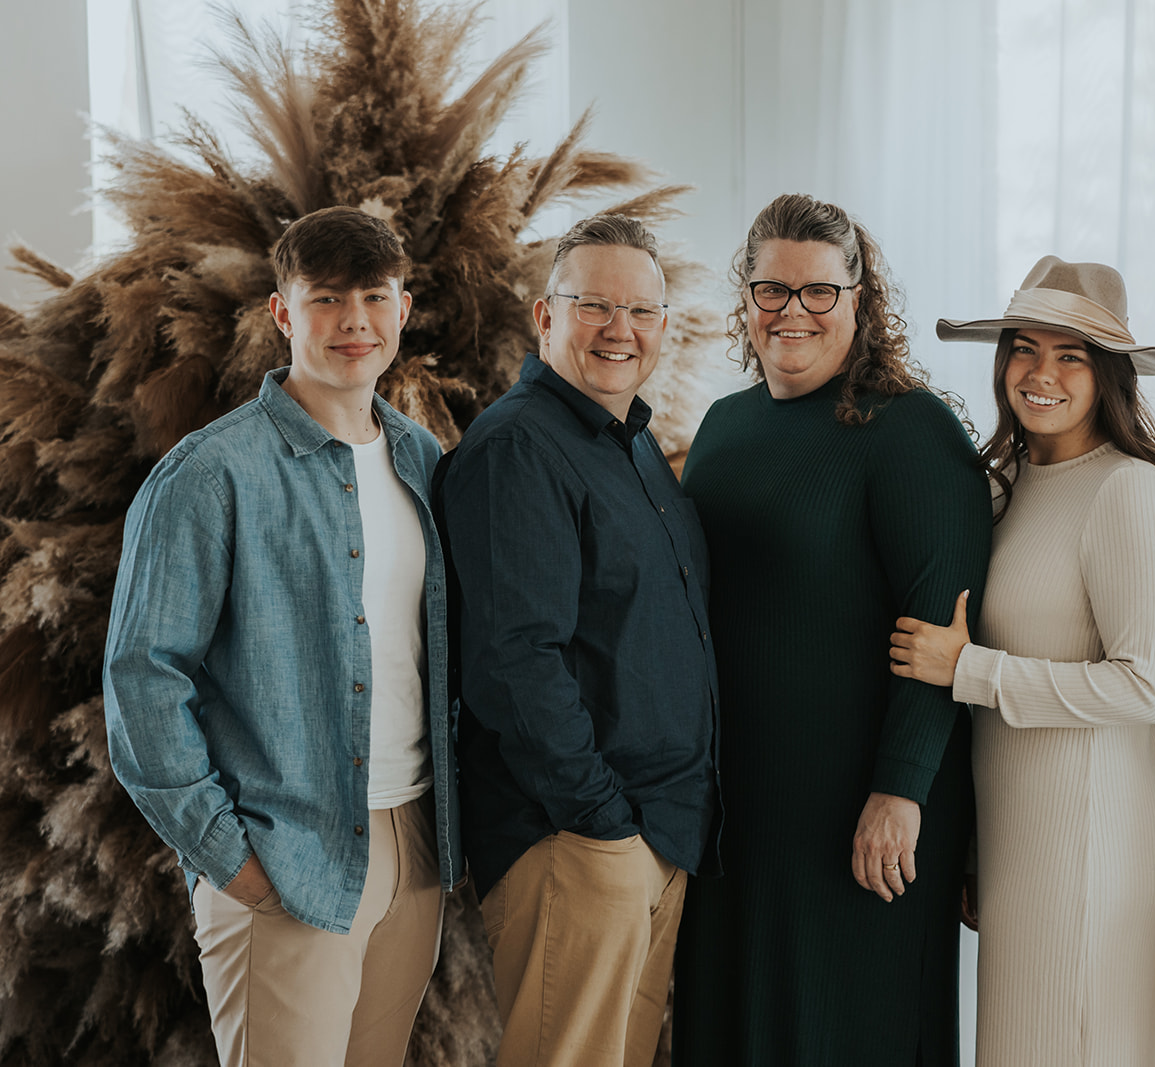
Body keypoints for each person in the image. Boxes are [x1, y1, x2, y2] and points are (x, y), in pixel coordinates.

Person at [103, 205, 461, 1066]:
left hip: (413, 840)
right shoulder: (209, 472)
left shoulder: (425, 461)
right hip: (285, 855)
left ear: (403, 311)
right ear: (282, 313)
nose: (353, 322)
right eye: (326, 298)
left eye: (374, 297)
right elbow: (143, 683)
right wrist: (234, 861)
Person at [670, 193, 992, 1066]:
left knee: (850, 1029)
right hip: (739, 801)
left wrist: (900, 790)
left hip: (861, 805)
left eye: (819, 291)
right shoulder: (725, 424)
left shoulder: (912, 430)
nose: (793, 312)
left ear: (860, 297)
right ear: (745, 297)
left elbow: (943, 629)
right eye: (772, 289)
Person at [891, 257, 1155, 1065]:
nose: (1041, 373)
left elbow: (1144, 685)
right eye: (1025, 348)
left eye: (1071, 355)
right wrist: (976, 845)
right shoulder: (1006, 485)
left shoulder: (1128, 491)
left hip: (1096, 832)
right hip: (1020, 830)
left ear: (1109, 374)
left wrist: (970, 669)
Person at [435, 213, 719, 1067]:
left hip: (653, 837)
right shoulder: (519, 447)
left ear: (665, 327)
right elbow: (515, 663)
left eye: (641, 312)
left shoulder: (629, 446)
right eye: (595, 305)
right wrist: (602, 826)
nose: (620, 330)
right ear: (545, 316)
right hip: (579, 842)